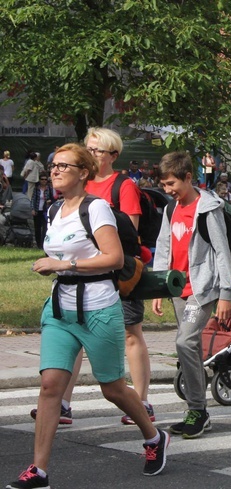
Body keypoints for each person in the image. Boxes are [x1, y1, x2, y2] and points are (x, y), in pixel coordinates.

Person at [7, 144, 169, 489]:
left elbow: (112, 258)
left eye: (63, 166)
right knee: (51, 385)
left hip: (98, 307)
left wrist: (64, 264)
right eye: (53, 165)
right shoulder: (52, 210)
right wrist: (57, 268)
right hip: (60, 307)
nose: (55, 171)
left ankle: (154, 438)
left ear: (83, 173)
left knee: (112, 388)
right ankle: (39, 471)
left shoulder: (96, 210)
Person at [34, 128, 155, 426]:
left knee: (130, 334)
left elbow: (127, 236)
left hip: (113, 278)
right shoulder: (59, 203)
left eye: (98, 150)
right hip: (69, 291)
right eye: (88, 148)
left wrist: (80, 258)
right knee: (67, 346)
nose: (92, 153)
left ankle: (140, 402)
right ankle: (62, 401)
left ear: (111, 155)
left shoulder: (119, 187)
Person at [152, 151, 231, 438]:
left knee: (185, 341)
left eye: (172, 183)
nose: (168, 190)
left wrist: (226, 293)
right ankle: (197, 410)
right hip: (177, 287)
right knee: (188, 346)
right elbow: (164, 246)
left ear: (189, 177)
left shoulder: (208, 208)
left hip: (202, 288)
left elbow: (222, 251)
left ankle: (197, 409)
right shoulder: (170, 208)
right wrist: (158, 286)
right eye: (163, 185)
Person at [31, 173, 55, 249]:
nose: (44, 181)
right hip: (38, 210)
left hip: (45, 210)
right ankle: (38, 244)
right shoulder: (36, 188)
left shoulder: (49, 189)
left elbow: (53, 199)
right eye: (42, 179)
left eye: (45, 179)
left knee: (45, 228)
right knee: (37, 228)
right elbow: (33, 199)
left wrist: (49, 202)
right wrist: (32, 209)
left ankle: (43, 244)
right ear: (40, 180)